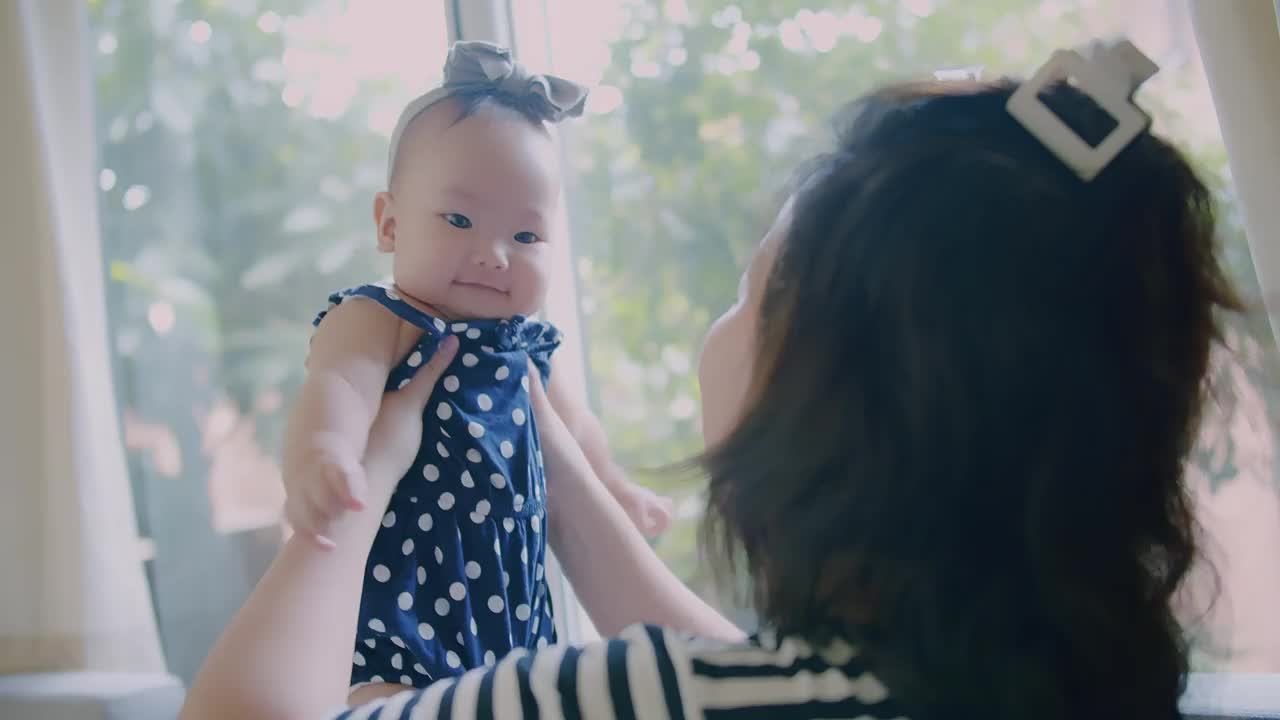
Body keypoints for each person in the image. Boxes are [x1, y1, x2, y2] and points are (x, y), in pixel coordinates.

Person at [181, 39, 1240, 720]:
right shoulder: (1081, 691)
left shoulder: (645, 699)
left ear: (828, 387)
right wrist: (561, 466)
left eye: (743, 295)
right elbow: (743, 669)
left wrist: (366, 473)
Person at [280, 41, 677, 701]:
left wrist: (616, 488)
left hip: (511, 618)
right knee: (391, 705)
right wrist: (323, 457)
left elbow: (576, 427)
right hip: (397, 613)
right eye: (459, 220)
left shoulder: (528, 345)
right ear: (389, 224)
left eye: (526, 237)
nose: (493, 255)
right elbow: (336, 388)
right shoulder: (383, 317)